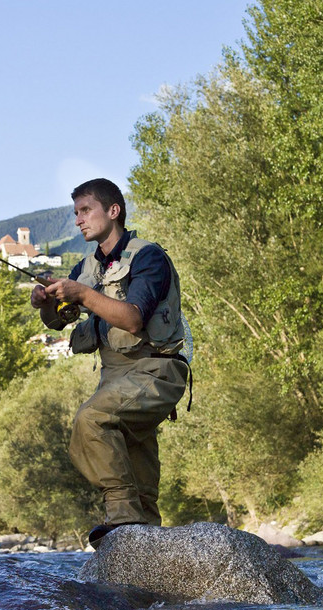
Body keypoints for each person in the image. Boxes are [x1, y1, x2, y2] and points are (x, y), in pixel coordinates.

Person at [31, 178, 190, 549]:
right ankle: (145, 553)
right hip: (116, 378)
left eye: (85, 211)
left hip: (157, 371)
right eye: (76, 213)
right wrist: (45, 304)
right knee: (140, 482)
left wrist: (83, 294)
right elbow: (58, 320)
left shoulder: (148, 256)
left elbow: (133, 319)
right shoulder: (84, 268)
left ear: (113, 211)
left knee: (93, 421)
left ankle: (123, 518)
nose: (78, 220)